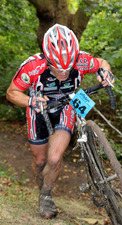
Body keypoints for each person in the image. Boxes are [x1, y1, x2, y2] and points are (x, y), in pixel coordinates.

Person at [6, 24, 115, 219]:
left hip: (67, 105)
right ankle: (42, 188)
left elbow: (102, 62)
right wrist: (30, 101)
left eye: (68, 68)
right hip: (38, 108)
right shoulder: (32, 66)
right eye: (58, 68)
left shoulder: (82, 60)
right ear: (47, 59)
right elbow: (12, 93)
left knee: (54, 158)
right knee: (40, 161)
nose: (64, 73)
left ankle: (46, 195)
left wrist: (105, 73)